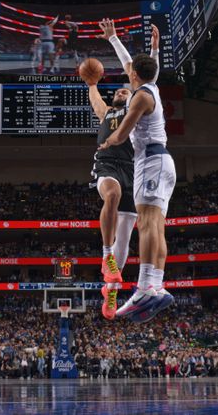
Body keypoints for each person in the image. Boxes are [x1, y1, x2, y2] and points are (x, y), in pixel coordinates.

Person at [98, 19, 175, 323]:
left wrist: (110, 141)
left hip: (151, 160)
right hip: (163, 160)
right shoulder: (150, 85)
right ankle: (156, 284)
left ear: (133, 75)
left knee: (147, 223)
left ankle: (144, 286)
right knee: (156, 224)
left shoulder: (141, 96)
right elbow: (139, 66)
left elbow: (123, 130)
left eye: (129, 70)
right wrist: (149, 47)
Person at [84, 77, 137, 319]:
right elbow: (95, 98)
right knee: (112, 193)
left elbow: (141, 86)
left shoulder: (136, 110)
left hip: (132, 168)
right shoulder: (106, 113)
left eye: (125, 91)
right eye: (118, 91)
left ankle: (112, 289)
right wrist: (91, 82)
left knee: (125, 234)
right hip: (107, 164)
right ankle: (107, 255)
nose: (121, 93)